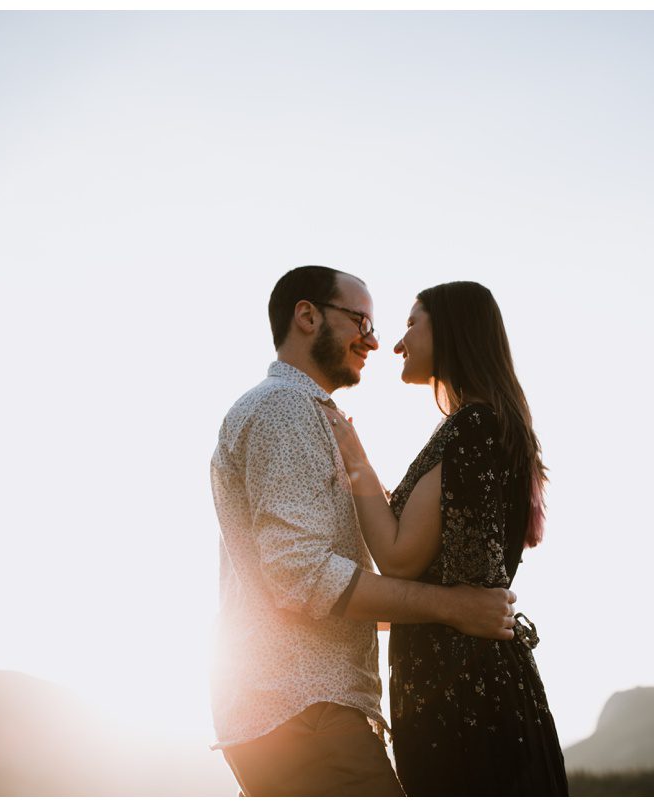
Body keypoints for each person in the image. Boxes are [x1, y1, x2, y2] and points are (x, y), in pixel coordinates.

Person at [209, 266, 519, 798]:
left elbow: (308, 586)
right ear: (306, 316)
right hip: (305, 711)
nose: (375, 340)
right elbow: (304, 577)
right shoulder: (284, 410)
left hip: (301, 710)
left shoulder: (306, 414)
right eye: (362, 320)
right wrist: (453, 607)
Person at [320, 280, 569, 796]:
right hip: (469, 681)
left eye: (413, 323)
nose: (397, 342)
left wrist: (358, 464)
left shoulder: (472, 426)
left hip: (462, 694)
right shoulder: (491, 424)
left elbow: (400, 559)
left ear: (452, 330)